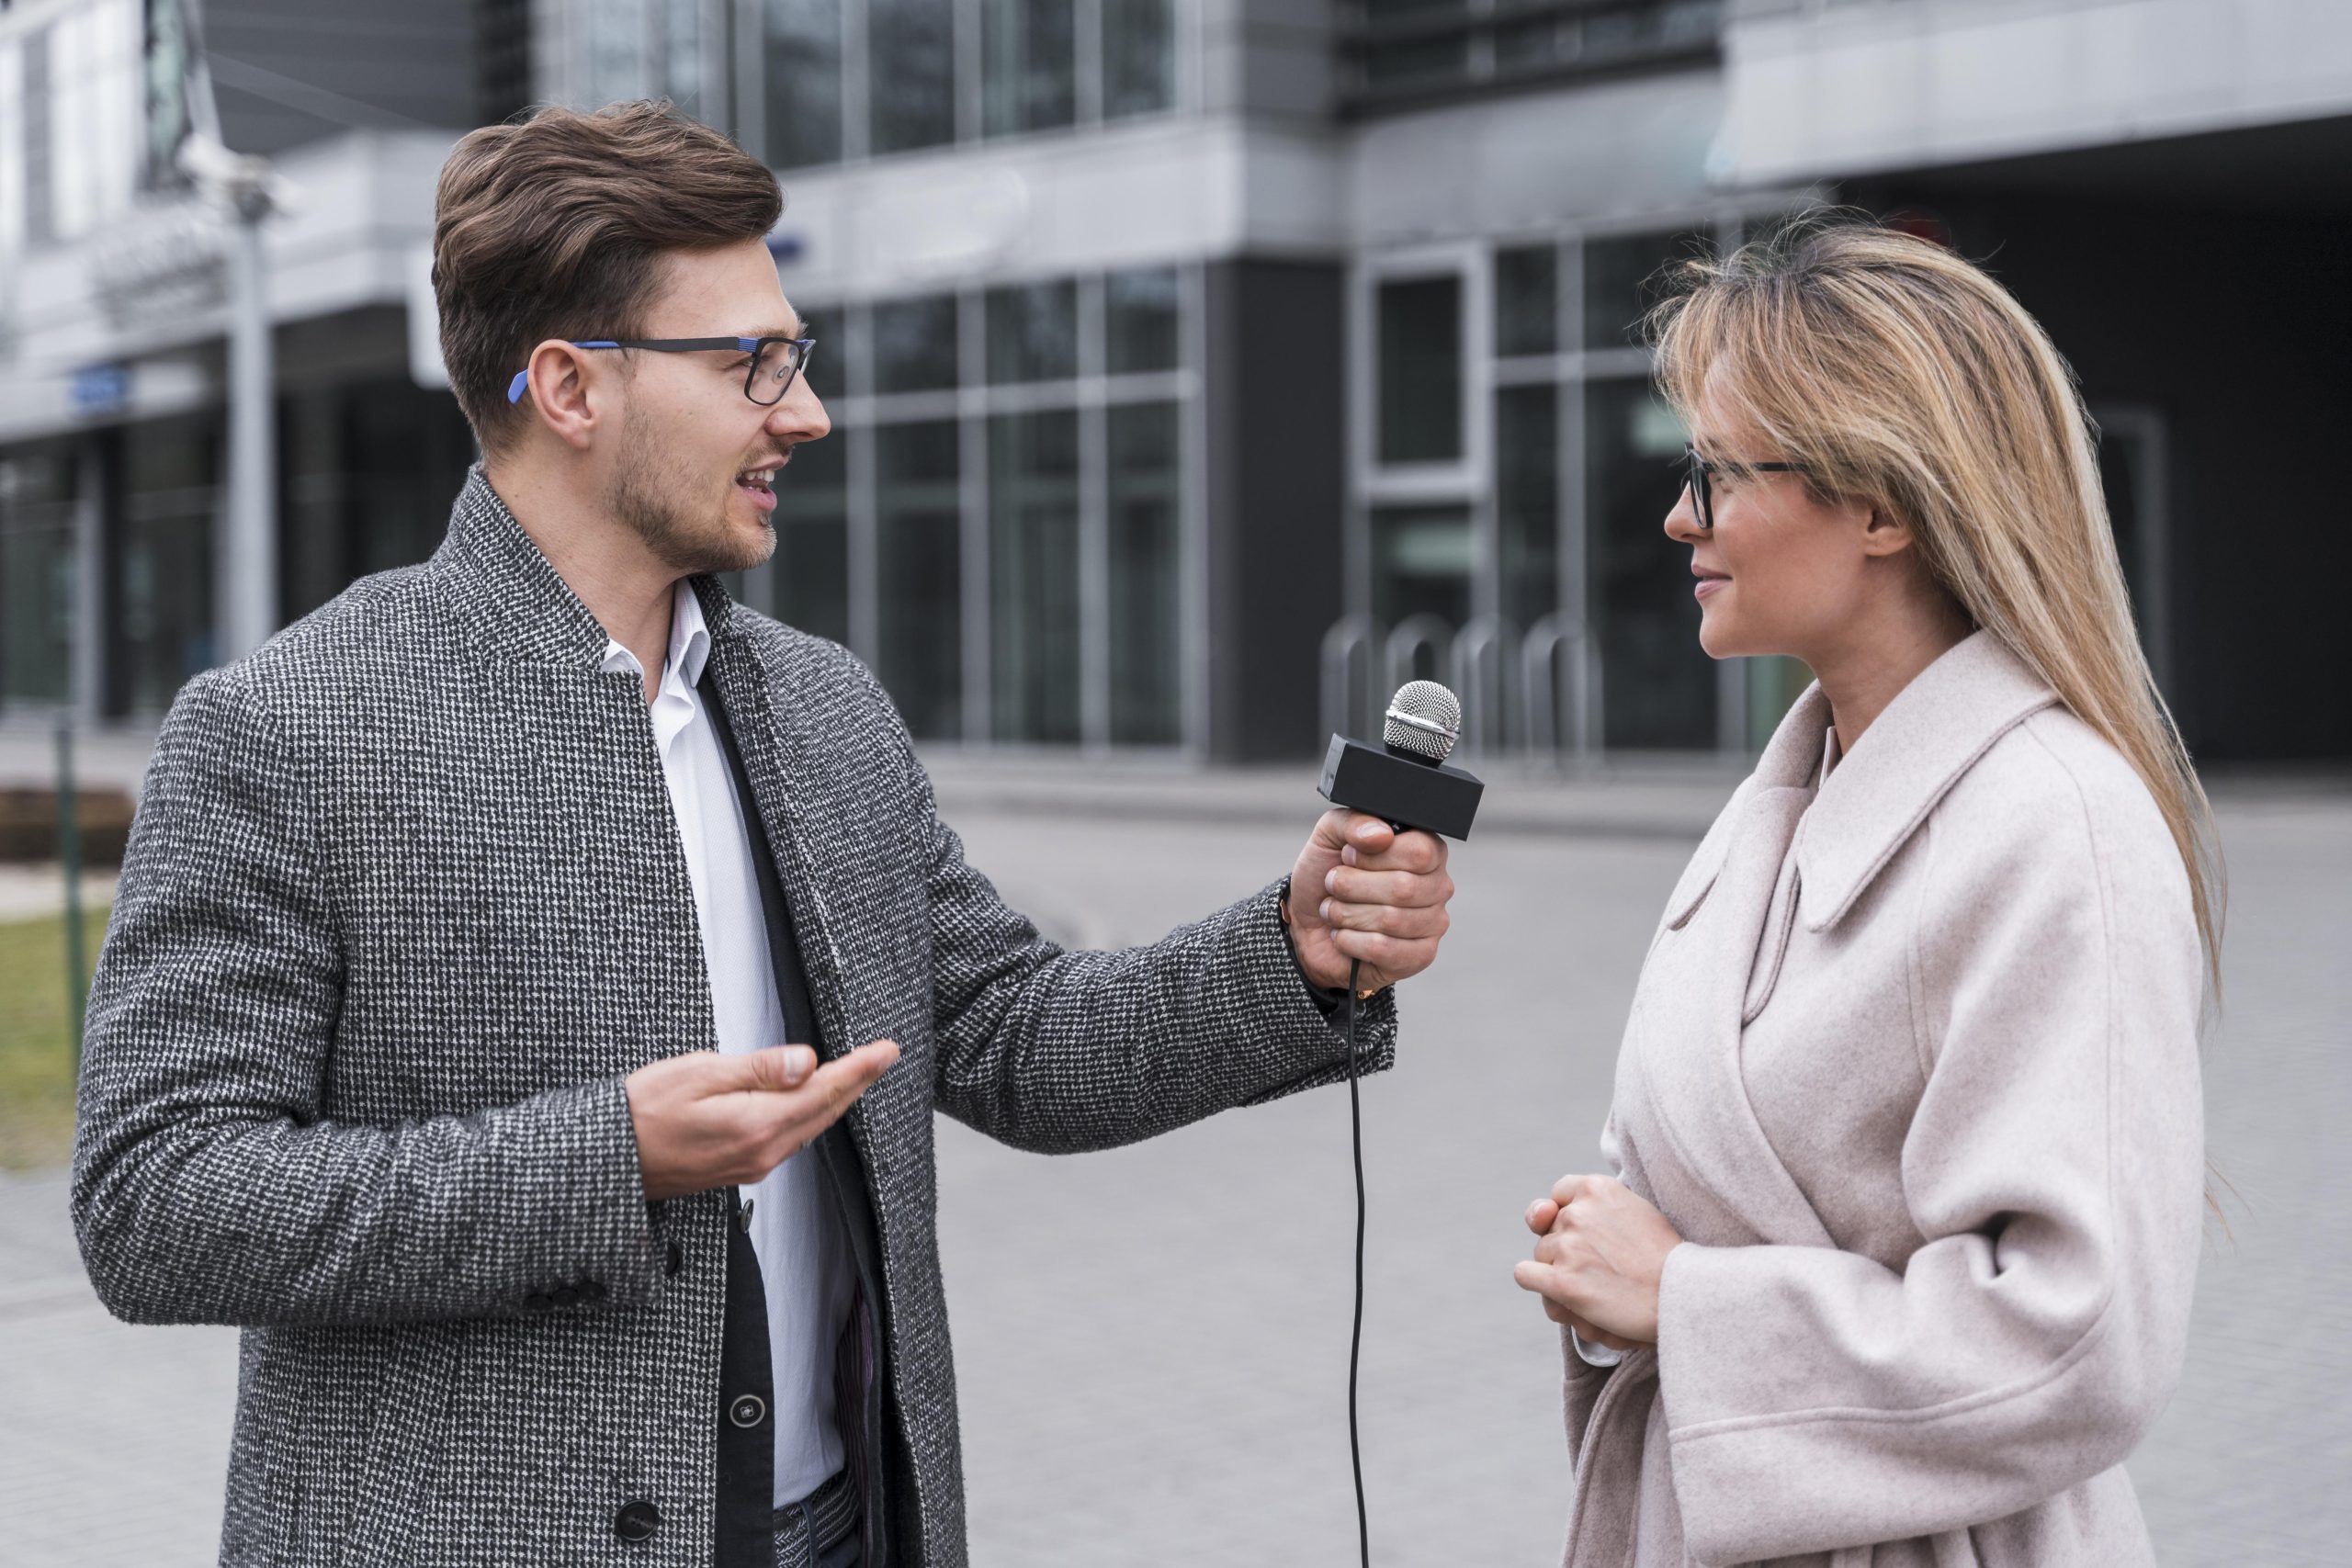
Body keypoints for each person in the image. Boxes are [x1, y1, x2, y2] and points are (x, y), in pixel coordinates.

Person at [72, 103, 1457, 1568]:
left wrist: (1291, 957)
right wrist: (602, 1158)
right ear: (568, 386)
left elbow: (1003, 1032)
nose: (807, 412)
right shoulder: (286, 729)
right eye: (753, 364)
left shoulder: (823, 707)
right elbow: (156, 1200)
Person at [1511, 218, 2220, 1566]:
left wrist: (1686, 1300)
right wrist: (1611, 1266)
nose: (1680, 517)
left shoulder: (2055, 825)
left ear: (1884, 505)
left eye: (1719, 473)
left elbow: (2082, 1334)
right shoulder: (1778, 807)